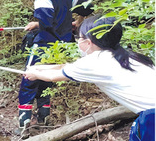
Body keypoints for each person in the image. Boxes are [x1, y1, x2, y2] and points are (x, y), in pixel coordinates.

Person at [24, 15, 155, 140]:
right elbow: (67, 67)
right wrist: (39, 68)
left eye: (79, 37)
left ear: (88, 42)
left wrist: (35, 74)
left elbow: (53, 77)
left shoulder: (94, 62)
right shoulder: (124, 56)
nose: (77, 41)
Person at [16, 0, 94, 135]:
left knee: (29, 78)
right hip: (64, 46)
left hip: (45, 44)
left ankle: (24, 126)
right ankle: (44, 119)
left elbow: (46, 23)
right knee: (46, 78)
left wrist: (36, 24)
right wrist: (77, 23)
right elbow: (89, 7)